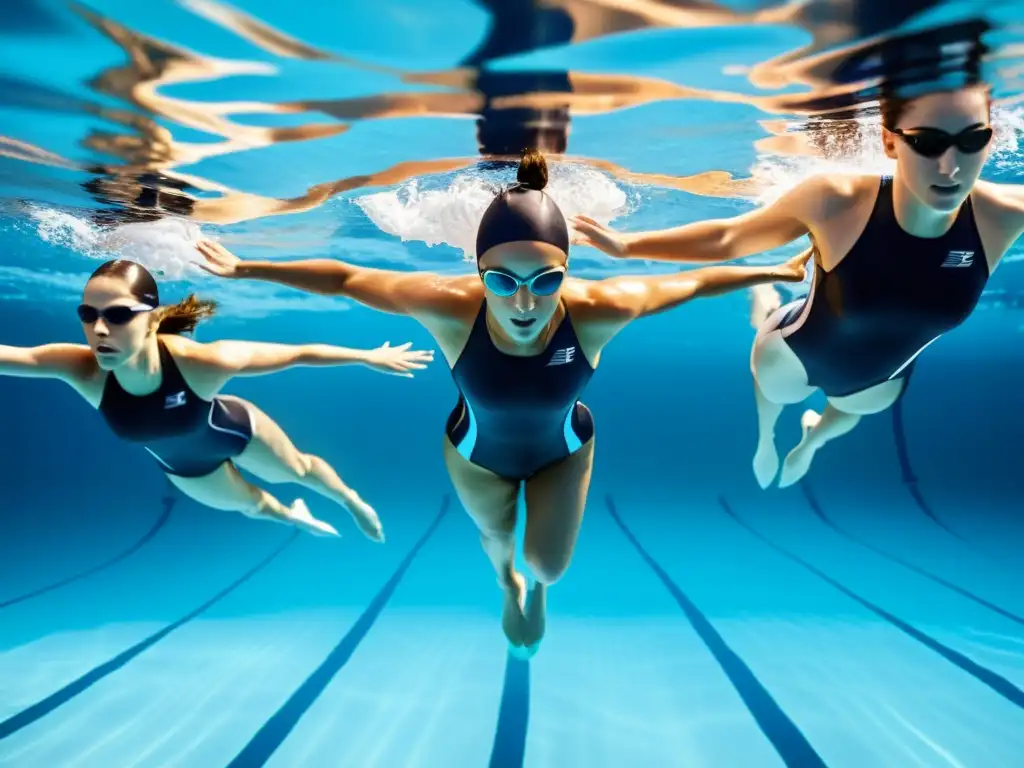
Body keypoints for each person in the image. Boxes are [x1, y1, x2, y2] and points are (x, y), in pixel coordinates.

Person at [196, 149, 809, 655]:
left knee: (550, 566)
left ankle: (535, 585)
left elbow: (691, 281)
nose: (524, 303)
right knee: (497, 542)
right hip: (475, 456)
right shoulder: (447, 307)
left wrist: (773, 272)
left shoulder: (598, 313)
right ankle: (505, 582)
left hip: (564, 451)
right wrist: (245, 268)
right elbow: (346, 279)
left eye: (546, 281)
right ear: (477, 269)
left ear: (567, 271)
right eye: (502, 282)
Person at [571, 84, 1024, 489]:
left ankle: (811, 442)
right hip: (791, 355)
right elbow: (730, 237)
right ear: (888, 141)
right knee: (775, 399)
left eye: (973, 140)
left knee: (847, 415)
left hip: (881, 381)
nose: (951, 165)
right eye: (927, 142)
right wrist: (626, 246)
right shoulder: (837, 198)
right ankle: (766, 436)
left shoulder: (1004, 213)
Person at [0, 259, 432, 539]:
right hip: (185, 467)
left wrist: (367, 356)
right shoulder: (78, 368)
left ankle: (349, 500)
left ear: (150, 321)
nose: (98, 330)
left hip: (234, 430)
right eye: (87, 315)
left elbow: (297, 353)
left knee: (298, 468)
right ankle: (293, 516)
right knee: (254, 506)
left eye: (116, 316)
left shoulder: (202, 363)